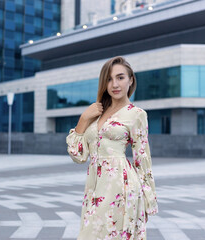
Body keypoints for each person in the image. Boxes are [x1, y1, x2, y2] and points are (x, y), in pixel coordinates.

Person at [66, 56, 158, 239]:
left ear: (131, 80)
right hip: (94, 187)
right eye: (109, 79)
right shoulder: (95, 112)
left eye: (120, 77)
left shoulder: (136, 114)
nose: (114, 84)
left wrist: (148, 200)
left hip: (121, 187)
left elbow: (143, 159)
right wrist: (84, 118)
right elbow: (78, 155)